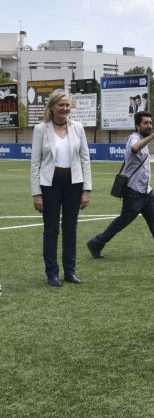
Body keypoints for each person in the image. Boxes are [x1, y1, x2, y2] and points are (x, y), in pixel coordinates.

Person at [86, 111, 154, 259]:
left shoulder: (143, 139)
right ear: (137, 125)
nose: (149, 125)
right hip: (133, 191)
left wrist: (151, 136)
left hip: (146, 190)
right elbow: (135, 148)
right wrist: (153, 136)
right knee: (124, 220)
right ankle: (96, 243)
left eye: (150, 123)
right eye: (145, 123)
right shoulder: (133, 138)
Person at [31, 89, 92, 286]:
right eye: (61, 105)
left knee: (70, 229)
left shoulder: (78, 128)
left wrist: (86, 189)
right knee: (51, 230)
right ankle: (52, 274)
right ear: (52, 107)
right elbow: (35, 163)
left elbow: (85, 159)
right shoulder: (40, 129)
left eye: (67, 105)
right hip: (50, 184)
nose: (65, 108)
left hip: (74, 183)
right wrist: (37, 193)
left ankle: (70, 272)